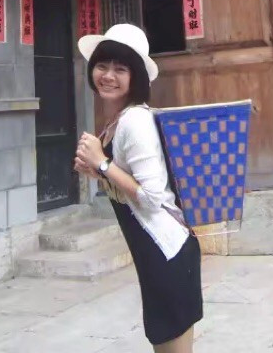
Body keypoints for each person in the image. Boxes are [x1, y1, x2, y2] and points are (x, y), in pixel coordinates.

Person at [74, 23, 203, 352]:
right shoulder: (118, 121)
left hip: (168, 252)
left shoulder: (135, 121)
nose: (108, 75)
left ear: (137, 78)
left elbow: (151, 197)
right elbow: (129, 185)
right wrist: (98, 172)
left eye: (121, 69)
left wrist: (103, 164)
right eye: (102, 65)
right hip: (156, 254)